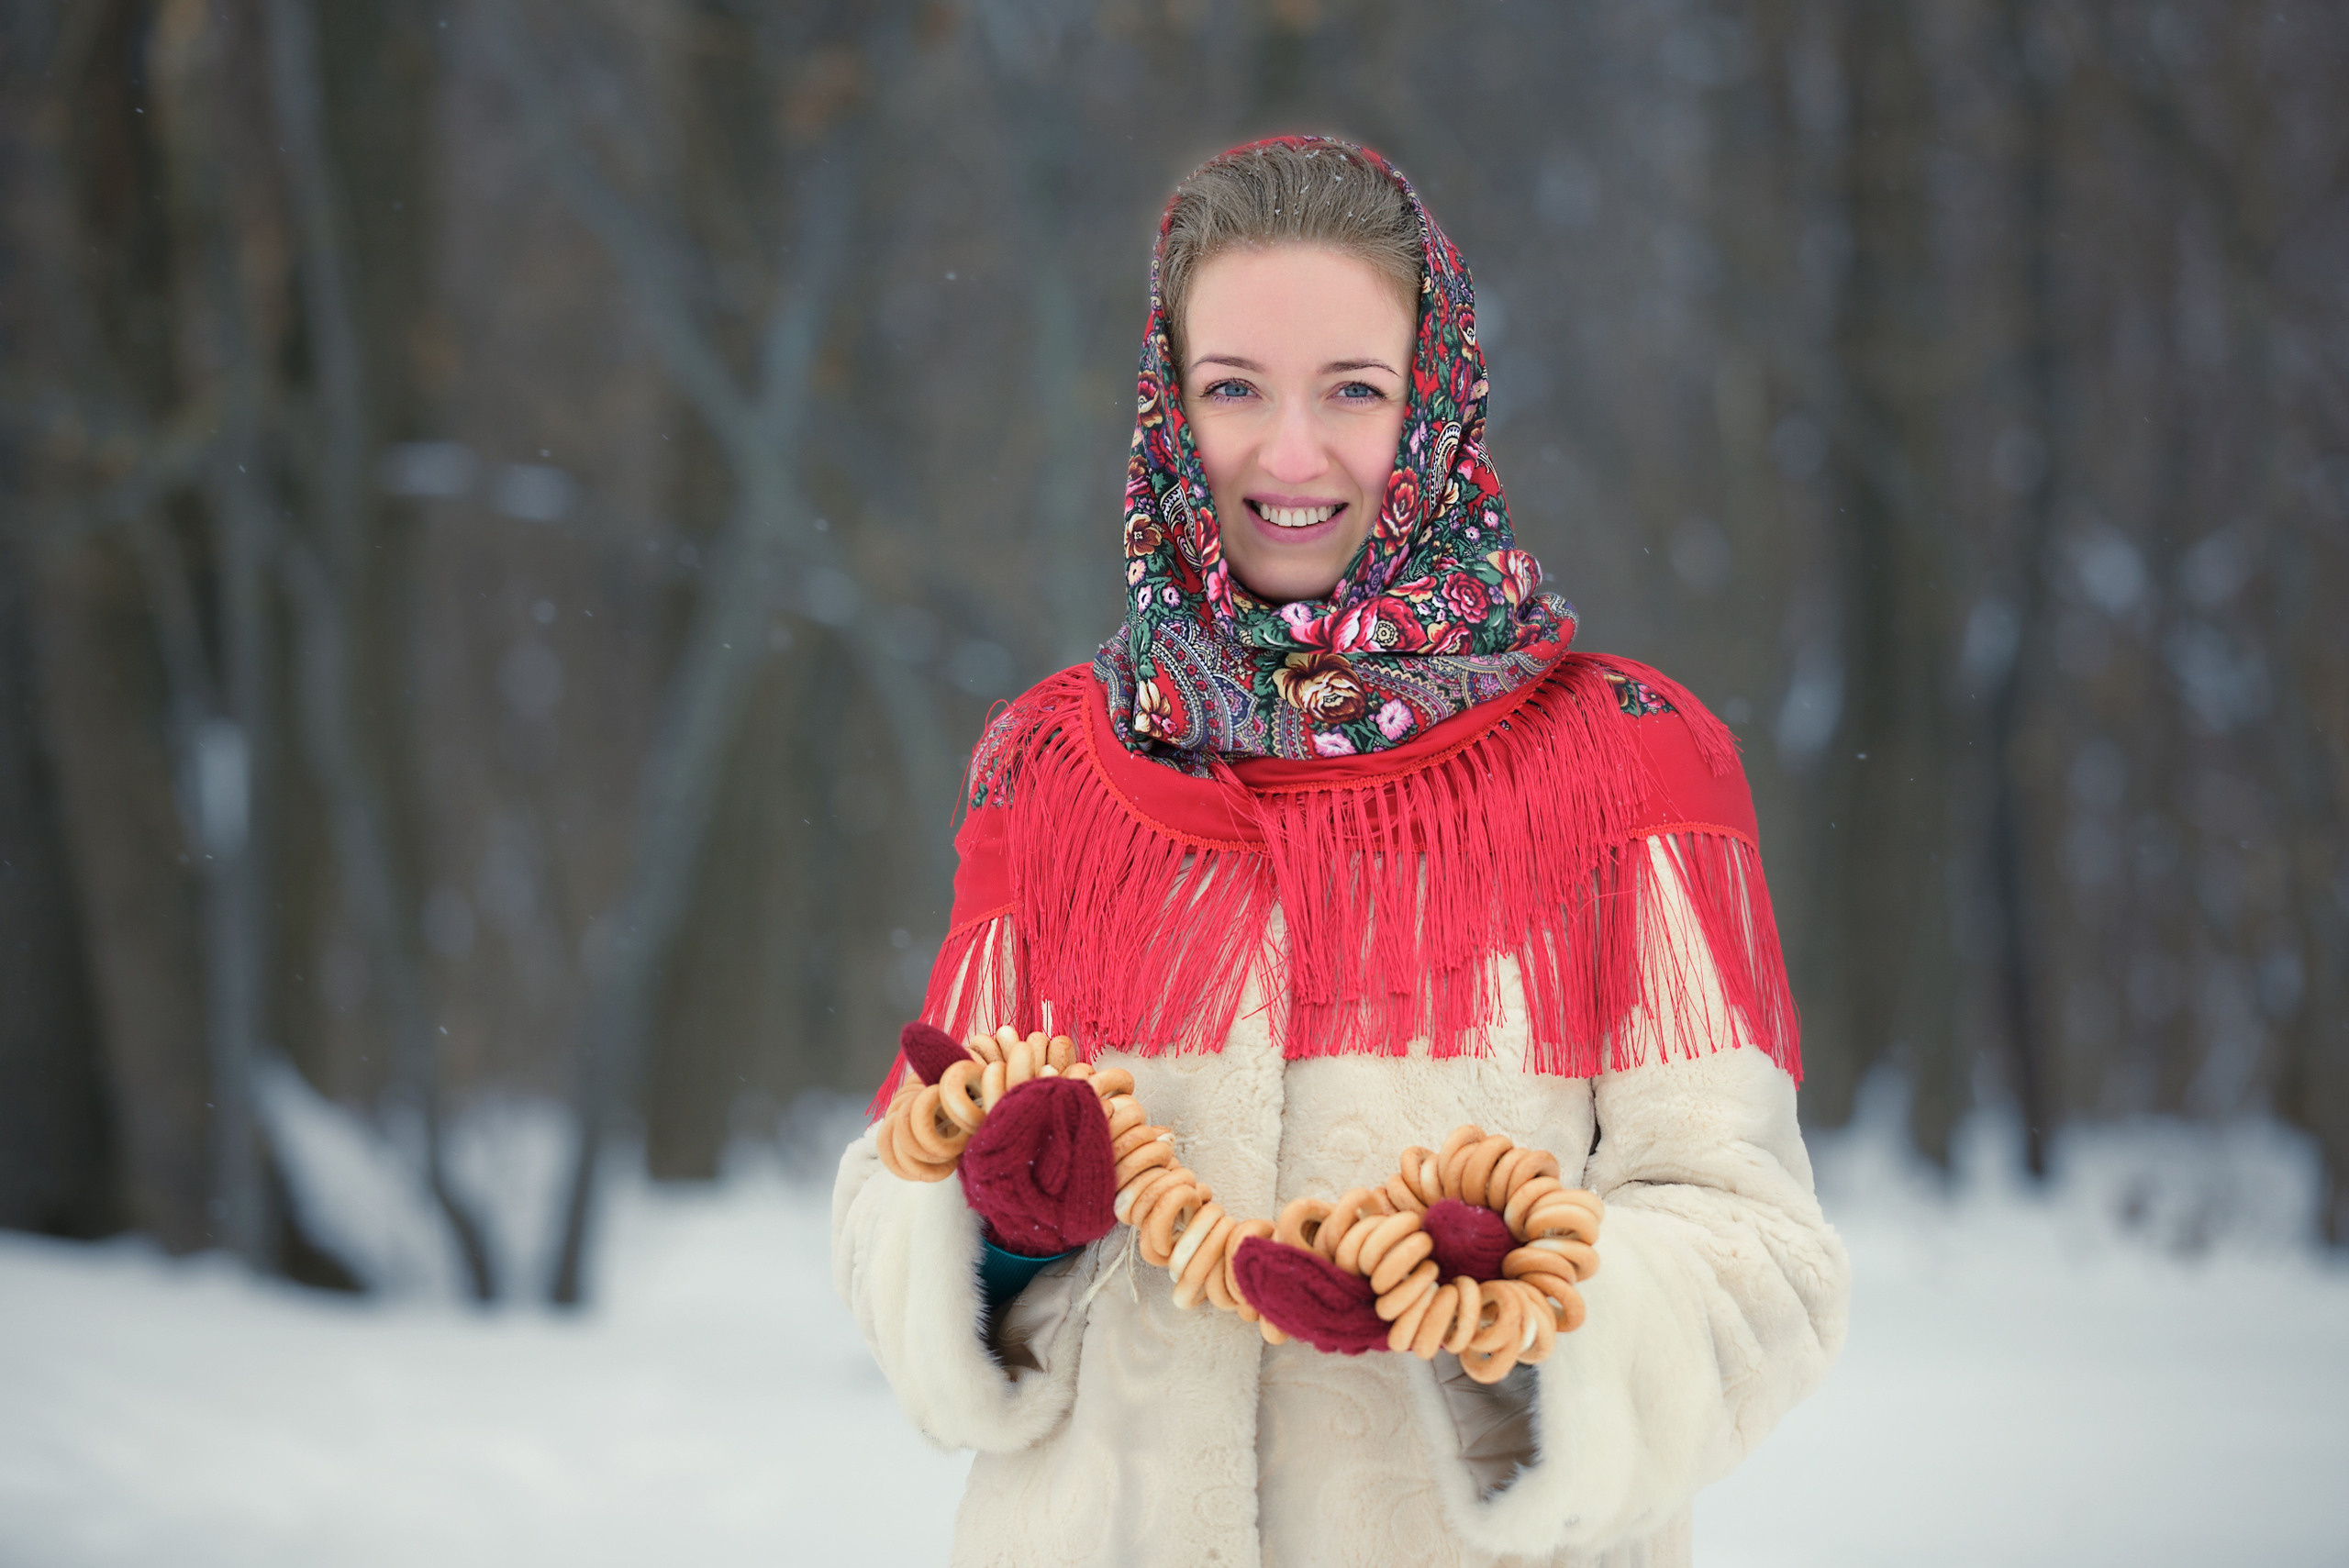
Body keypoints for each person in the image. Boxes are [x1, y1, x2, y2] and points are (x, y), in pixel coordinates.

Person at [831, 135, 1848, 1568]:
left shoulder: (1627, 760)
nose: (1289, 455)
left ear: (1433, 405)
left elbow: (1765, 1258)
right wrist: (995, 1235)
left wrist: (1518, 1319)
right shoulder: (1051, 766)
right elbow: (890, 1186)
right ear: (1167, 406)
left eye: (1353, 392)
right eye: (1233, 387)